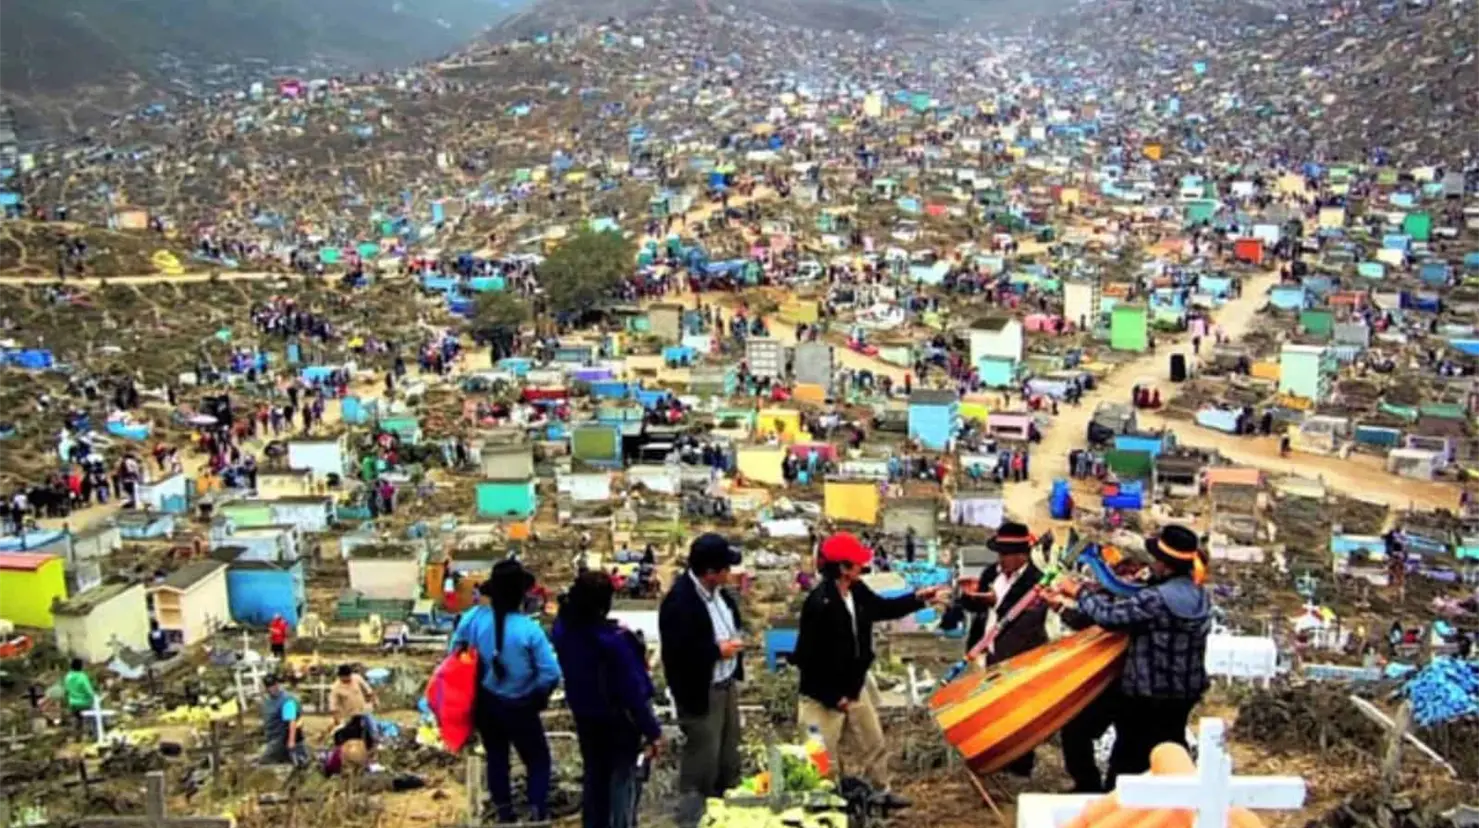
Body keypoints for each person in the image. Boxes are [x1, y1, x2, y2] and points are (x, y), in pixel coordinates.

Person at [1051, 525, 1210, 789]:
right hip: (1182, 696)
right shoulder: (1200, 596)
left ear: (1165, 564)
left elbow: (1109, 617)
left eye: (1157, 559)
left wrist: (1078, 592)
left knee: (1126, 763)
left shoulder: (1155, 599)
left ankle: (1101, 798)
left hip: (1144, 697)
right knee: (1169, 752)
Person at [792, 533, 942, 806]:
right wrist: (834, 696)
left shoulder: (857, 591)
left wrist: (919, 599)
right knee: (821, 755)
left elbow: (883, 608)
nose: (863, 567)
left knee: (872, 742)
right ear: (843, 568)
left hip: (854, 685)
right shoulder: (819, 603)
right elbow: (807, 658)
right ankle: (824, 803)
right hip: (821, 694)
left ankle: (880, 792)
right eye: (857, 564)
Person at [450, 560, 562, 823]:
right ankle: (537, 810)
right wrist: (535, 695)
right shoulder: (529, 630)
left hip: (486, 704)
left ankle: (504, 813)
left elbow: (454, 655)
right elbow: (551, 673)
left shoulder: (473, 620)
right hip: (521, 706)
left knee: (497, 758)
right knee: (537, 760)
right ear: (521, 595)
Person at [553, 572, 664, 828]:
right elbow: (633, 692)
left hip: (585, 716)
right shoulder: (613, 643)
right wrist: (653, 731)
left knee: (594, 776)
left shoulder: (565, 632)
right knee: (622, 782)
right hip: (618, 722)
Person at [659, 533, 745, 828]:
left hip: (725, 685)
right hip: (700, 691)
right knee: (703, 759)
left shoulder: (719, 596)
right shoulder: (680, 602)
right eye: (725, 568)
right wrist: (717, 651)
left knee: (728, 753)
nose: (729, 573)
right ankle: (694, 817)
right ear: (710, 572)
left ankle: (726, 813)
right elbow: (678, 653)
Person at [958, 521, 1048, 777]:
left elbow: (1028, 620)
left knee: (1018, 713)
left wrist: (995, 604)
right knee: (987, 709)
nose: (1002, 560)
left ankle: (1020, 766)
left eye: (1006, 554)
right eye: (999, 554)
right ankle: (991, 758)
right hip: (985, 651)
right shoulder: (991, 575)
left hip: (1018, 655)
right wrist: (970, 596)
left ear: (1022, 555)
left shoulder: (1036, 582)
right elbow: (975, 608)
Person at [259, 673, 306, 765]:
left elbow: (292, 721)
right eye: (269, 686)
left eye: (274, 685)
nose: (272, 688)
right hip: (272, 737)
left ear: (277, 684)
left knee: (265, 760)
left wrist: (291, 741)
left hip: (282, 737)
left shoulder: (286, 700)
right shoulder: (267, 701)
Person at [329, 664, 377, 748]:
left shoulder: (356, 678)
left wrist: (373, 700)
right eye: (346, 677)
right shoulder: (336, 688)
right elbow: (333, 706)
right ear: (340, 677)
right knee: (352, 736)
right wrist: (336, 720)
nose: (348, 678)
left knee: (372, 730)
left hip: (363, 710)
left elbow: (368, 690)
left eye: (349, 676)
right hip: (350, 716)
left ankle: (373, 746)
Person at [63, 658, 96, 734]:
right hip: (85, 702)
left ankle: (77, 735)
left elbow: (66, 690)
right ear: (80, 666)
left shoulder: (68, 676)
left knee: (78, 719)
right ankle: (91, 733)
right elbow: (88, 690)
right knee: (92, 717)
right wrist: (94, 697)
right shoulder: (82, 676)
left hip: (73, 703)